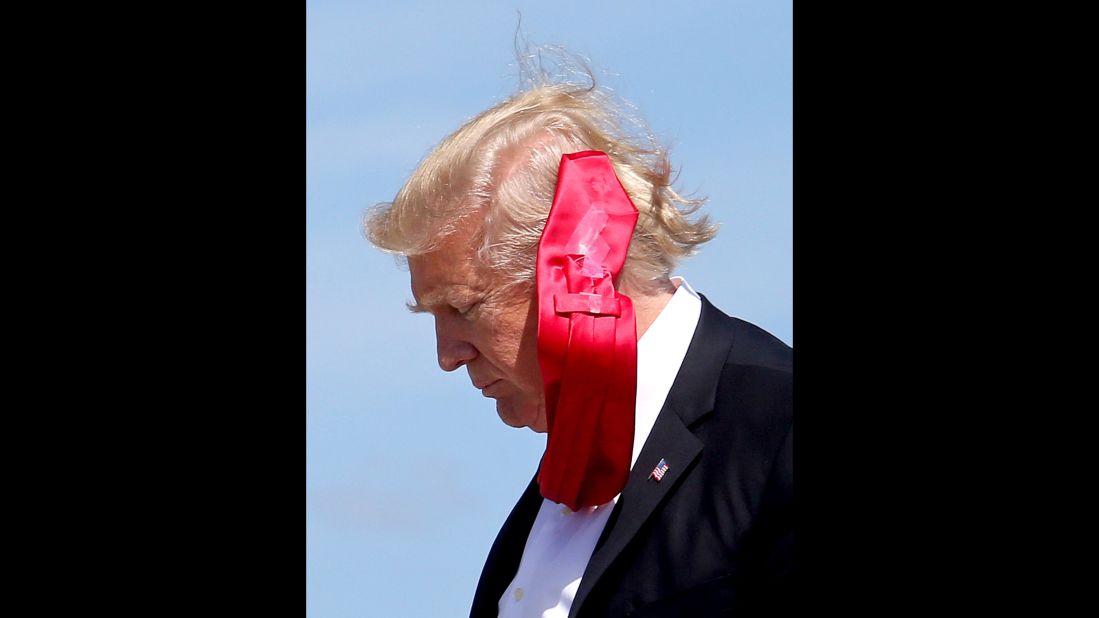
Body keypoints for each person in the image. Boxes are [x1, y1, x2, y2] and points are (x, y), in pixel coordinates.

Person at [365, 57, 793, 617]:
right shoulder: (549, 502)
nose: (447, 355)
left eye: (465, 307)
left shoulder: (778, 428)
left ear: (585, 266)